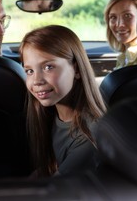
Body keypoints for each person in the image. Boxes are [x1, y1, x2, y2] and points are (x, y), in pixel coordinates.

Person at [19, 25, 107, 178]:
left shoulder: (89, 137)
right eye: (29, 71)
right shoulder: (51, 113)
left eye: (48, 67)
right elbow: (50, 168)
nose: (36, 81)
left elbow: (55, 191)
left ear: (77, 70)